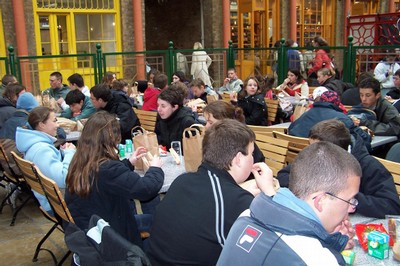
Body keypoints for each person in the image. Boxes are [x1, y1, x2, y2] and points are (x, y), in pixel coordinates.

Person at [148, 119, 275, 265]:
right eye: (251, 154)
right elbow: (274, 243)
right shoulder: (236, 201)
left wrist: (240, 194)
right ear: (238, 159)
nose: (253, 159)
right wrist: (269, 193)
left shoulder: (182, 180)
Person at [217, 141, 361, 265]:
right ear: (321, 200)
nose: (351, 208)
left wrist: (328, 241)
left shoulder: (246, 215)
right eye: (349, 200)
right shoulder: (318, 259)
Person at [65, 111, 164, 248]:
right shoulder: (107, 168)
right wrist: (155, 168)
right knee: (162, 223)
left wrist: (129, 162)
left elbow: (110, 179)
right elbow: (146, 189)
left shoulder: (80, 160)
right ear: (111, 138)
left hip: (92, 226)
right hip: (112, 234)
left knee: (151, 219)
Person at [278, 119, 400, 219]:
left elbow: (392, 207)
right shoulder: (316, 157)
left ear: (337, 152)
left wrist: (347, 198)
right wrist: (312, 187)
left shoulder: (368, 166)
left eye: (318, 149)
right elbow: (284, 174)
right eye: (311, 146)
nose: (312, 152)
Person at [15, 106, 76, 213]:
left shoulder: (33, 144)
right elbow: (63, 179)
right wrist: (69, 153)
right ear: (41, 125)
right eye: (54, 121)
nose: (57, 125)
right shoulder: (42, 150)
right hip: (57, 206)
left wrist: (62, 153)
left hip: (50, 201)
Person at [289, 90, 372, 147]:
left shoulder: (308, 113)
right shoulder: (341, 118)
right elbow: (364, 138)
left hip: (299, 157)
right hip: (325, 160)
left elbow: (291, 128)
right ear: (337, 104)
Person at [203, 100, 265, 167]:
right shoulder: (218, 138)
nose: (206, 126)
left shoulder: (238, 141)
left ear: (225, 123)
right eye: (206, 122)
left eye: (211, 123)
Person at [155, 84, 195, 150]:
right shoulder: (161, 117)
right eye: (158, 105)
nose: (159, 109)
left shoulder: (187, 121)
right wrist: (159, 145)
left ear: (175, 107)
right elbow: (158, 136)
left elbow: (192, 150)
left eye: (163, 106)